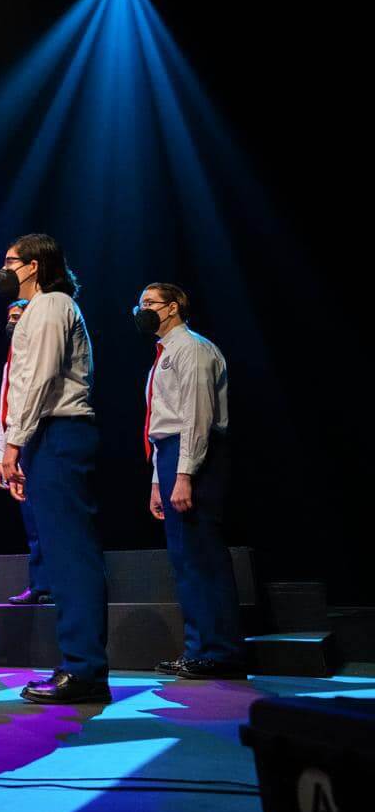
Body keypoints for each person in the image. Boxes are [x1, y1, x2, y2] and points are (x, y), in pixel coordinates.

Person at [0, 233, 108, 704]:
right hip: (48, 436)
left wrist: (13, 445)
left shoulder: (50, 306)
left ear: (34, 266)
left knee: (70, 554)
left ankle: (84, 670)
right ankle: (79, 664)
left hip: (59, 432)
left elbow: (40, 381)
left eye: (10, 262)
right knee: (62, 553)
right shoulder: (38, 311)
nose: (3, 270)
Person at [137, 283, 243, 679]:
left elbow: (196, 416)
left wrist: (184, 476)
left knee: (202, 556)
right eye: (140, 302)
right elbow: (159, 424)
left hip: (195, 455)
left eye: (149, 303)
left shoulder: (192, 349)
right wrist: (156, 481)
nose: (142, 309)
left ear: (174, 307)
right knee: (185, 559)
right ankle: (201, 648)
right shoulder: (163, 355)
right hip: (169, 455)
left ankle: (220, 652)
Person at [0, 299, 51, 605]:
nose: (12, 321)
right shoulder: (9, 361)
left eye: (19, 316)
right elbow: (5, 410)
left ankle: (58, 583)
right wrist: (1, 454)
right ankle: (40, 583)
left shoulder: (36, 354)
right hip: (16, 446)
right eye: (9, 316)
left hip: (38, 438)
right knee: (30, 519)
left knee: (48, 516)